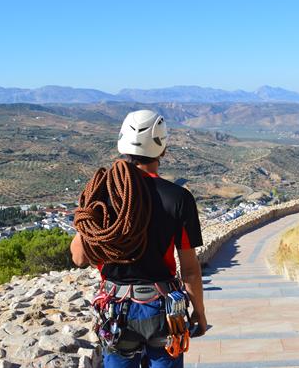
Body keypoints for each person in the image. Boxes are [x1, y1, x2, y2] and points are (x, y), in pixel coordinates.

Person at [70, 109, 207, 368]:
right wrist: (199, 313)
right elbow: (189, 270)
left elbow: (79, 257)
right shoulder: (178, 198)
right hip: (163, 311)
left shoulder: (101, 193)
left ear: (122, 145)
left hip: (115, 311)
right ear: (162, 149)